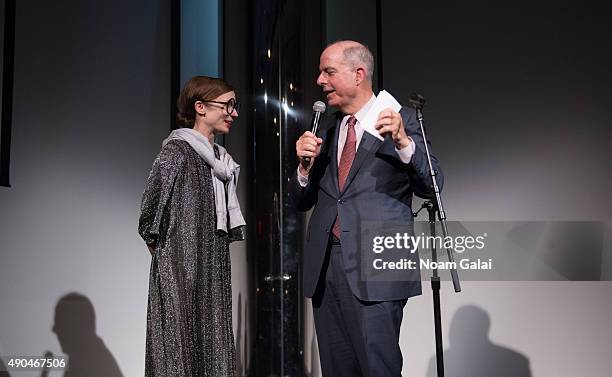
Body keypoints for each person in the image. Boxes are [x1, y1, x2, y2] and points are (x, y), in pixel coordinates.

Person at [289, 41, 444, 376]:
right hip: (327, 266)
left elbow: (433, 186)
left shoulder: (399, 120)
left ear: (358, 74)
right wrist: (303, 169)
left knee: (379, 368)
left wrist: (403, 142)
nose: (320, 80)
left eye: (328, 72)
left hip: (378, 262)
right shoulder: (328, 128)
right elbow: (301, 201)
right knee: (337, 368)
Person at [138, 76, 245, 377]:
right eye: (228, 105)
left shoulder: (222, 163)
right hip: (179, 279)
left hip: (212, 274)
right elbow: (148, 220)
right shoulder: (176, 153)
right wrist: (173, 266)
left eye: (235, 106)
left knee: (215, 354)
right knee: (178, 357)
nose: (233, 113)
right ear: (200, 107)